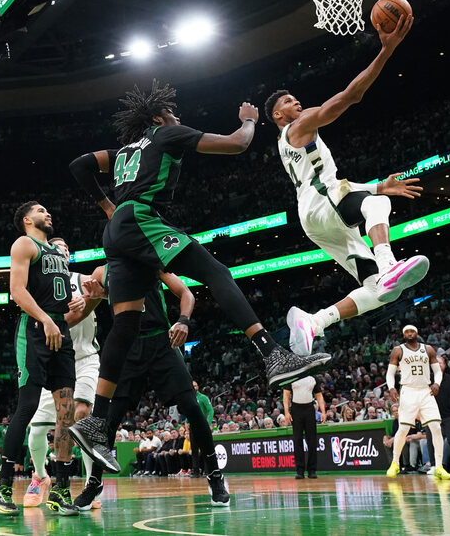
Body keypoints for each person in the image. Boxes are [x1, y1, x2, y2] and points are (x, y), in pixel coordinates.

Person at [67, 83, 330, 473]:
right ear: (158, 119)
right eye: (172, 114)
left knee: (125, 321)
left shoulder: (123, 151)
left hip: (118, 230)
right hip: (140, 218)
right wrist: (248, 120)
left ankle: (95, 422)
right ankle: (270, 352)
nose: (178, 119)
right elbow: (237, 144)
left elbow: (79, 166)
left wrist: (108, 205)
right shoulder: (166, 133)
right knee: (215, 272)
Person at [265, 19, 429, 357]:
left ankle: (315, 321)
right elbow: (351, 96)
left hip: (315, 218)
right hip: (323, 206)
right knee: (376, 206)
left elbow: (330, 183)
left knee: (383, 292)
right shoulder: (298, 126)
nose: (297, 103)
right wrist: (386, 50)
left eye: (297, 99)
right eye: (289, 102)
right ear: (279, 116)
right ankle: (388, 263)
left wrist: (377, 185)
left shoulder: (292, 143)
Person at [71, 264, 230, 508]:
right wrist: (94, 297)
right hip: (127, 345)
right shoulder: (101, 273)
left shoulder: (149, 260)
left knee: (192, 406)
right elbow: (96, 304)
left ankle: (215, 475)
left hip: (160, 341)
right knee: (109, 419)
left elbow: (186, 293)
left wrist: (184, 321)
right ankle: (95, 481)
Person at [0, 202, 82, 516]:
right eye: (41, 210)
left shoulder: (58, 252)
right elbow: (17, 291)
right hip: (35, 330)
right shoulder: (24, 244)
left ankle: (61, 489)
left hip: (61, 328)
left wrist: (82, 301)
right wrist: (46, 319)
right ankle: (1, 488)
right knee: (27, 407)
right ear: (28, 219)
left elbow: (64, 299)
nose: (49, 212)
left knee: (66, 412)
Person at [23, 237, 101, 511]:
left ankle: (92, 483)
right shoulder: (41, 287)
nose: (63, 250)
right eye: (57, 247)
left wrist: (95, 296)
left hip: (85, 359)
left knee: (82, 414)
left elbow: (106, 291)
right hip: (55, 361)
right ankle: (41, 477)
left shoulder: (85, 279)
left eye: (67, 247)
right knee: (35, 431)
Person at [384, 324, 450, 480]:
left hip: (425, 390)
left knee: (435, 427)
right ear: (403, 335)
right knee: (403, 428)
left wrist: (437, 383)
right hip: (408, 390)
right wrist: (391, 387)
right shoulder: (398, 350)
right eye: (406, 331)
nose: (409, 333)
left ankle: (439, 466)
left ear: (417, 332)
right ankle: (395, 462)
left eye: (412, 331)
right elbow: (390, 373)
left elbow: (437, 371)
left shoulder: (428, 349)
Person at [283, 375, 326, 479]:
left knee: (312, 440)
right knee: (297, 440)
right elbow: (286, 395)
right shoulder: (291, 376)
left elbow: (319, 396)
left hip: (309, 408)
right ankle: (300, 470)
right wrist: (286, 412)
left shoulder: (313, 377)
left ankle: (312, 470)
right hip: (296, 409)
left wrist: (323, 412)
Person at [192, 381, 214, 477]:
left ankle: (207, 470)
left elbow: (211, 410)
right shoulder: (189, 398)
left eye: (195, 385)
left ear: (198, 387)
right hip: (193, 426)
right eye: (192, 386)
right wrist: (187, 422)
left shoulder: (203, 398)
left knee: (204, 449)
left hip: (202, 426)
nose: (194, 387)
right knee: (194, 450)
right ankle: (196, 471)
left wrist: (208, 423)